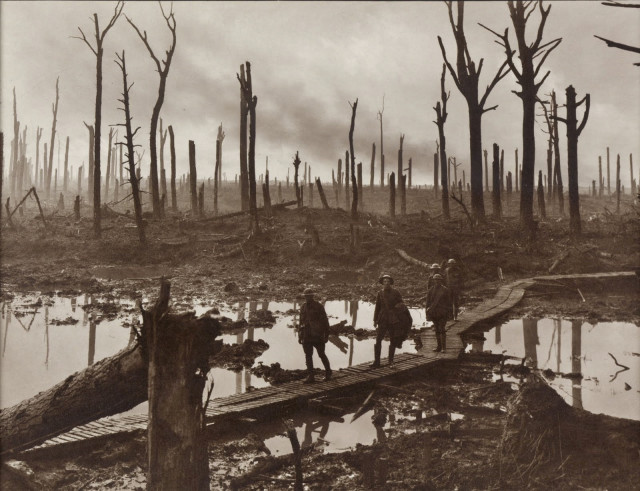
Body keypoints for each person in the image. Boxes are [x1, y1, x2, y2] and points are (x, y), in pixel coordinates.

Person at [298, 287, 332, 383]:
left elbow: (325, 322)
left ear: (313, 296)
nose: (308, 298)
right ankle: (311, 376)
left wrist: (326, 335)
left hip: (317, 335)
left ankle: (328, 373)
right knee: (308, 356)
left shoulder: (319, 306)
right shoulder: (303, 307)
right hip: (306, 335)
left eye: (309, 296)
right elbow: (301, 322)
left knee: (321, 354)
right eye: (306, 296)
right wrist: (300, 336)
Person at [371, 274, 404, 367]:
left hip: (393, 319)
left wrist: (397, 307)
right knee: (378, 340)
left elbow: (401, 303)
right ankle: (376, 362)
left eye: (388, 281)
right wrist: (375, 320)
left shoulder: (396, 292)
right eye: (384, 282)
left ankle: (391, 361)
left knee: (393, 340)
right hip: (382, 319)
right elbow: (377, 307)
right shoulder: (380, 293)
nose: (386, 283)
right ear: (382, 283)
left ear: (391, 283)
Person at [425, 274, 452, 352]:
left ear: (441, 280)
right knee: (437, 330)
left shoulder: (445, 290)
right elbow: (428, 303)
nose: (437, 281)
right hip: (434, 313)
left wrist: (449, 314)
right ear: (433, 281)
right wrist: (427, 314)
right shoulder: (431, 290)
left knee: (442, 329)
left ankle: (444, 348)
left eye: (438, 280)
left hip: (443, 313)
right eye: (435, 280)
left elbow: (449, 303)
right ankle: (439, 347)